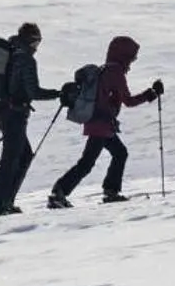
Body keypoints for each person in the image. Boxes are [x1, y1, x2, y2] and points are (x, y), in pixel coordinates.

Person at [48, 36, 163, 208]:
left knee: (119, 153)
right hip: (101, 125)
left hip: (100, 123)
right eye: (131, 57)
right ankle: (61, 192)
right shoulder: (115, 73)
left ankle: (108, 191)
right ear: (123, 55)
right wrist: (151, 93)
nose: (132, 61)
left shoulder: (105, 69)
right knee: (88, 162)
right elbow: (128, 101)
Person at [0, 21, 58, 217]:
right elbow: (33, 91)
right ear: (32, 41)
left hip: (4, 111)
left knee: (22, 155)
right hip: (15, 113)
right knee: (11, 159)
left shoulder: (11, 54)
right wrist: (59, 93)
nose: (37, 47)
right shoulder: (25, 59)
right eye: (37, 42)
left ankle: (4, 202)